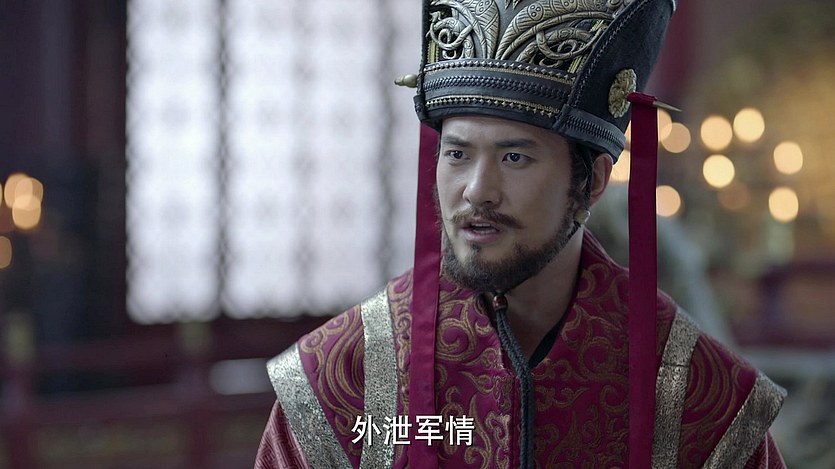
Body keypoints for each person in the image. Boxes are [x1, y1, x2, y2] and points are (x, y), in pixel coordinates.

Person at [255, 0, 786, 467]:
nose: (477, 191)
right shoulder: (343, 378)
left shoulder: (699, 395)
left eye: (514, 158)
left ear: (592, 181)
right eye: (457, 154)